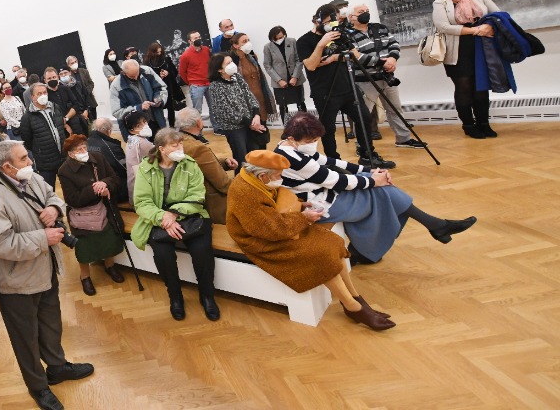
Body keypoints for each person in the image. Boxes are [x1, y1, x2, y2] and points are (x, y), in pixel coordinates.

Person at [0, 140, 94, 410]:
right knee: (25, 338)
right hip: (16, 281)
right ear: (7, 167)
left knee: (51, 323)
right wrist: (43, 238)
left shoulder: (30, 178)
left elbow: (52, 196)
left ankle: (57, 367)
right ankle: (38, 387)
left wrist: (54, 209)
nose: (30, 161)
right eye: (23, 158)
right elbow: (0, 244)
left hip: (44, 269)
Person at [275, 112, 476, 264]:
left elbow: (330, 161)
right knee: (381, 190)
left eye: (316, 140)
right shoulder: (293, 158)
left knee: (379, 187)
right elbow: (336, 180)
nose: (314, 144)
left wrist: (370, 171)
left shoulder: (289, 146)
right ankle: (436, 226)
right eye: (310, 141)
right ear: (292, 138)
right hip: (317, 205)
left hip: (323, 193)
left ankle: (436, 226)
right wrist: (375, 180)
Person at [225, 151, 395, 331]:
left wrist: (299, 205)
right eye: (278, 175)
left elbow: (275, 206)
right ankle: (353, 307)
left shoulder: (254, 179)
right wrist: (304, 218)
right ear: (262, 175)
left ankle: (354, 297)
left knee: (334, 241)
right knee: (320, 254)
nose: (280, 179)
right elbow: (269, 230)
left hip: (276, 227)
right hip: (257, 239)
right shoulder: (245, 192)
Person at [131, 128, 218, 321]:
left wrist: (174, 214)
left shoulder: (190, 165)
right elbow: (142, 202)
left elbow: (197, 196)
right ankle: (175, 296)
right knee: (163, 255)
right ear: (161, 149)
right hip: (159, 218)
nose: (180, 148)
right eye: (174, 145)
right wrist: (163, 218)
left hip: (190, 215)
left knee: (202, 252)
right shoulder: (146, 168)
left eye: (181, 144)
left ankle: (207, 296)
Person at [296, 3, 395, 168]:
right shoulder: (304, 41)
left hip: (348, 87)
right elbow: (311, 65)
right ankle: (334, 162)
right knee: (328, 128)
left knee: (364, 118)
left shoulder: (339, 35)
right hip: (324, 92)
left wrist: (335, 58)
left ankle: (367, 155)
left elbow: (354, 55)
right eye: (329, 21)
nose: (332, 25)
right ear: (318, 21)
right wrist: (321, 44)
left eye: (335, 20)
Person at [432, 0, 501, 139]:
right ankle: (468, 125)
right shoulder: (441, 3)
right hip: (457, 50)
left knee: (481, 87)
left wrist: (488, 26)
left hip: (481, 46)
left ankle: (484, 124)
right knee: (464, 87)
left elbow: (498, 15)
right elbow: (443, 26)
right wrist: (475, 30)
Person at [346, 4, 428, 148]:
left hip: (387, 77)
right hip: (365, 81)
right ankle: (362, 146)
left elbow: (394, 44)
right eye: (361, 12)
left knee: (395, 109)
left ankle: (403, 139)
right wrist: (382, 63)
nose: (365, 13)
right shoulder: (347, 35)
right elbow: (356, 56)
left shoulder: (380, 28)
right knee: (363, 115)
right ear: (351, 17)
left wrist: (392, 59)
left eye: (367, 11)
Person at [57, 135, 125, 296]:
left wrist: (105, 184)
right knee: (84, 248)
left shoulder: (98, 158)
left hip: (105, 209)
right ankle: (85, 276)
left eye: (84, 147)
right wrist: (94, 189)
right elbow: (72, 199)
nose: (83, 151)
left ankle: (110, 266)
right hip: (82, 215)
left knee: (109, 240)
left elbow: (115, 179)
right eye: (78, 149)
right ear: (70, 154)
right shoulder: (64, 171)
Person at [176, 108, 236, 224]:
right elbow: (223, 183)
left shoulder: (174, 142)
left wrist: (224, 162)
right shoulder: (197, 148)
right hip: (210, 205)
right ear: (199, 123)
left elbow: (199, 164)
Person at [206, 51, 265, 167]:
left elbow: (250, 95)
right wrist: (250, 123)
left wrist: (256, 114)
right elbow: (226, 112)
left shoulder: (237, 77)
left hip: (250, 121)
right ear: (220, 69)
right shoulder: (215, 86)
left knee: (254, 155)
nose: (232, 65)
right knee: (241, 158)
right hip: (234, 128)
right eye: (228, 63)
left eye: (231, 61)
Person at [228, 32, 276, 147]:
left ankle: (263, 155)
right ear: (236, 45)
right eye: (244, 41)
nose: (248, 43)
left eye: (248, 40)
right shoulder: (232, 62)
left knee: (262, 133)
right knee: (252, 137)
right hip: (246, 102)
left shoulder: (252, 57)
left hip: (260, 98)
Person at [18, 83, 67, 188]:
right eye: (39, 94)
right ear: (32, 97)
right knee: (48, 190)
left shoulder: (55, 107)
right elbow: (27, 140)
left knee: (69, 188)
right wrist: (40, 150)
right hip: (46, 162)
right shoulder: (27, 117)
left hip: (63, 157)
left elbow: (61, 128)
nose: (43, 95)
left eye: (44, 92)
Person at [108, 58, 168, 139]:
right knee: (145, 147)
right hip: (137, 129)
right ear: (123, 73)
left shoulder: (147, 71)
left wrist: (159, 98)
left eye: (137, 73)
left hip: (156, 120)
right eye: (132, 76)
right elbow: (117, 112)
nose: (136, 78)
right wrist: (138, 107)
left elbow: (161, 88)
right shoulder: (116, 86)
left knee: (163, 143)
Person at [262, 25, 307, 123]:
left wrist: (295, 77)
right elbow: (267, 66)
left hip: (295, 79)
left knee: (300, 103)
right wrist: (279, 80)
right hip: (280, 82)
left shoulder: (292, 41)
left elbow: (299, 60)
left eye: (281, 37)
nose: (279, 40)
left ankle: (306, 125)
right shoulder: (268, 47)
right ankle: (286, 127)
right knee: (283, 106)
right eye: (276, 38)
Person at [143, 41, 185, 127]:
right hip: (155, 88)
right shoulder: (147, 63)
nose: (159, 54)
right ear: (152, 52)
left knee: (170, 107)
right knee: (158, 107)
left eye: (160, 51)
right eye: (157, 52)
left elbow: (175, 72)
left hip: (168, 86)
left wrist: (168, 73)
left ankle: (172, 126)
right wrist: (158, 77)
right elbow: (147, 77)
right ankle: (162, 126)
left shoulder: (166, 60)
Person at [86, 117, 128, 202]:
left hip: (89, 186)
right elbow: (124, 168)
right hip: (110, 187)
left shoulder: (84, 144)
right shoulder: (112, 147)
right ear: (109, 131)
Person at [177, 31, 212, 114]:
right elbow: (182, 72)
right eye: (195, 38)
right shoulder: (185, 55)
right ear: (190, 41)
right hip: (196, 86)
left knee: (213, 108)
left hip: (209, 83)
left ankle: (216, 123)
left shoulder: (206, 49)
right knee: (197, 111)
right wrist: (190, 82)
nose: (198, 39)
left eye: (199, 37)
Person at [122, 110, 153, 200]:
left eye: (144, 121)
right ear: (131, 130)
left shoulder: (131, 139)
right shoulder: (143, 143)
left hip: (132, 186)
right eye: (139, 125)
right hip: (142, 188)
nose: (144, 125)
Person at [65, 55, 98, 120]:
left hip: (90, 101)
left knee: (94, 120)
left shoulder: (84, 71)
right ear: (68, 65)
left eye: (75, 62)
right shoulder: (68, 75)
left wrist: (86, 91)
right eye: (72, 63)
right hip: (79, 104)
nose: (74, 64)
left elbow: (91, 83)